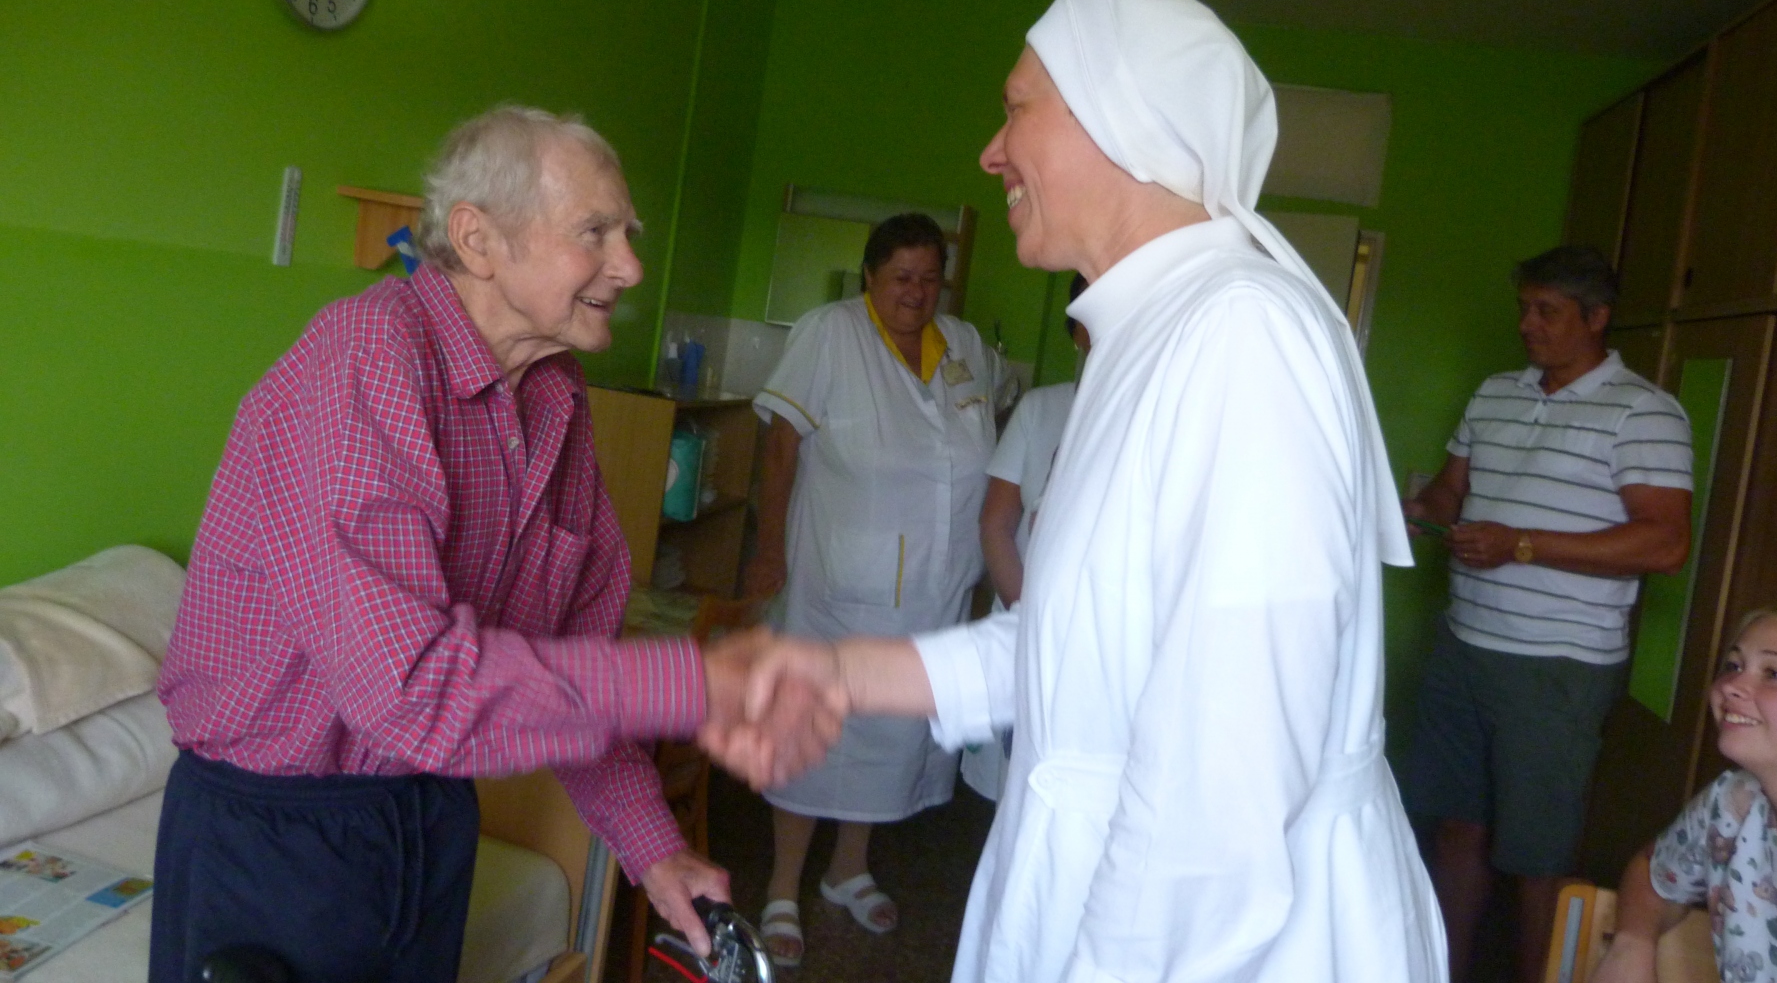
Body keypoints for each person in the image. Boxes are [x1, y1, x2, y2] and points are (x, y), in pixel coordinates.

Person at [710, 0, 1449, 982]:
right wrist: (841, 675)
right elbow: (1082, 644)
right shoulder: (1152, 337)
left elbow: (1220, 796)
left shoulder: (1241, 336)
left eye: (1017, 109)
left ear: (1121, 119)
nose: (992, 150)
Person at [151, 107, 833, 983]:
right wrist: (699, 682)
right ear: (478, 239)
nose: (630, 265)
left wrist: (653, 845)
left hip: (430, 816)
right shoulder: (364, 358)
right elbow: (406, 688)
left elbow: (572, 657)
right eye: (595, 231)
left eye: (628, 233)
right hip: (275, 837)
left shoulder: (555, 399)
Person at [1400, 244, 1694, 983]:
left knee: (1536, 855)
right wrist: (1415, 512)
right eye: (1524, 308)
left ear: (1596, 318)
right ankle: (1445, 970)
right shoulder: (1495, 393)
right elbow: (1450, 492)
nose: (1527, 324)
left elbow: (1664, 543)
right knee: (1457, 828)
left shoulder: (1645, 412)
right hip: (1464, 643)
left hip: (1557, 665)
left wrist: (1522, 544)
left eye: (1547, 311)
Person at [741, 213, 999, 965]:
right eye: (901, 278)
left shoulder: (965, 346)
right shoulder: (831, 332)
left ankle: (848, 870)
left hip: (935, 585)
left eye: (930, 279)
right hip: (838, 580)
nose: (917, 292)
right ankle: (782, 886)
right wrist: (768, 549)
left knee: (892, 730)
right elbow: (781, 444)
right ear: (870, 277)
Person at [1592, 604, 1777, 983]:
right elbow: (1653, 873)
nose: (1730, 685)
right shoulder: (1734, 802)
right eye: (1733, 665)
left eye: (1773, 673)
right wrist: (1632, 945)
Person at [961, 274, 1088, 802]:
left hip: (1099, 645)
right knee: (1014, 791)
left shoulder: (1165, 413)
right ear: (1076, 330)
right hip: (1026, 620)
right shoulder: (1042, 409)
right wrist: (1027, 615)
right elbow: (996, 524)